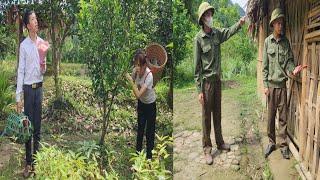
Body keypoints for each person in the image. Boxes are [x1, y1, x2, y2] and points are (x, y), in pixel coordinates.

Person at [194, 2, 245, 165]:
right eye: (207, 15)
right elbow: (196, 68)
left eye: (211, 14)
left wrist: (240, 23)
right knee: (206, 118)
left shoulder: (217, 34)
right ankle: (207, 149)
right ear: (202, 19)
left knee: (218, 113)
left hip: (217, 82)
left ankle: (220, 142)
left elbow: (229, 32)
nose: (210, 17)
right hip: (207, 84)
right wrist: (199, 90)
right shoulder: (198, 39)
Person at [263, 8, 306, 159]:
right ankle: (270, 142)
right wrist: (265, 85)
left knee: (283, 117)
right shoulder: (267, 42)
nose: (281, 26)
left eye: (282, 23)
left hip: (282, 86)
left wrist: (293, 70)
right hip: (271, 86)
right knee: (270, 117)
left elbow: (289, 62)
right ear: (273, 24)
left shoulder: (286, 42)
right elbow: (265, 67)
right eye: (278, 23)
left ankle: (283, 145)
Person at [16, 10, 49, 177]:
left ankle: (36, 162)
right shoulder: (24, 45)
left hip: (39, 89)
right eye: (33, 19)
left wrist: (43, 64)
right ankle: (28, 163)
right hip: (28, 90)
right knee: (27, 128)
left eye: (37, 18)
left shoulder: (42, 43)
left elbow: (43, 70)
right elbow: (21, 71)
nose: (36, 21)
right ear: (28, 25)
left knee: (38, 128)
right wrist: (18, 96)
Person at [126, 49, 156, 159]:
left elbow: (138, 94)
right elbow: (130, 85)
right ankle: (137, 156)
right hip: (141, 104)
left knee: (149, 132)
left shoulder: (149, 76)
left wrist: (131, 82)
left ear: (144, 65)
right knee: (140, 129)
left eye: (139, 65)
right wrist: (128, 79)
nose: (137, 68)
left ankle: (149, 157)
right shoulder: (135, 71)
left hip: (150, 105)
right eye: (135, 65)